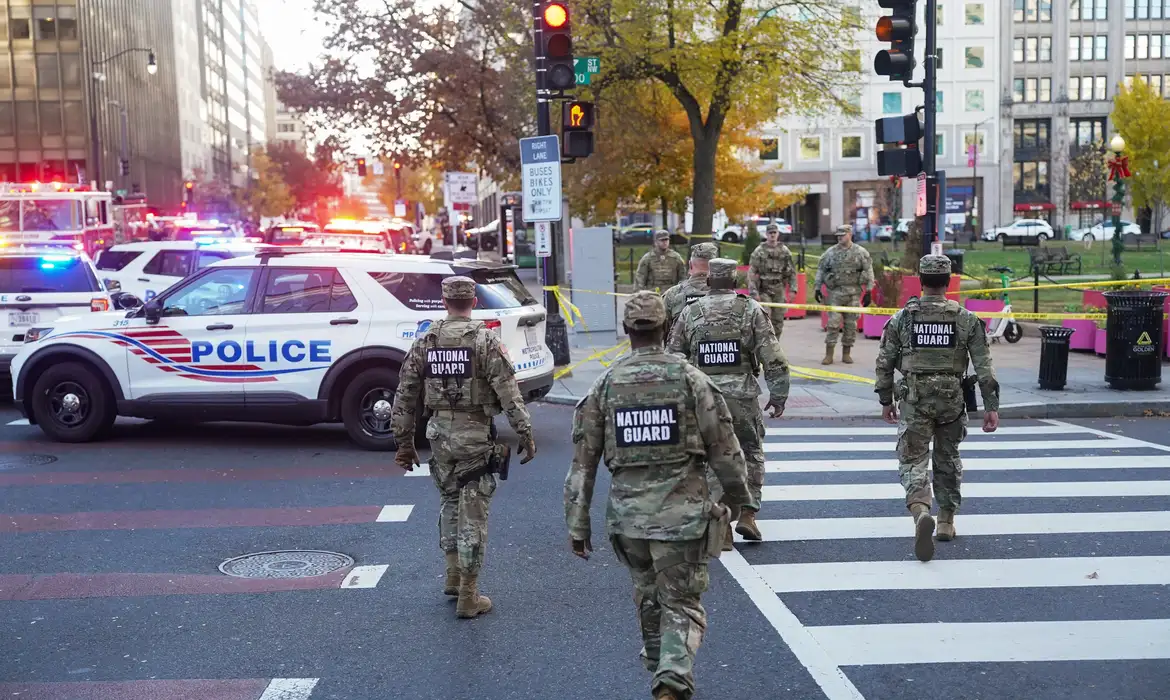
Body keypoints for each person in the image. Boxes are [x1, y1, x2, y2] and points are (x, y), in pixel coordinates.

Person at [565, 291, 751, 700]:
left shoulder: (606, 385)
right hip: (682, 519)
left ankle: (660, 673)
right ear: (666, 329)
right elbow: (725, 449)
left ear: (626, 331)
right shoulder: (691, 381)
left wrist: (578, 524)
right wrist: (740, 499)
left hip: (628, 522)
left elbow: (583, 463)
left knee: (649, 601)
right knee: (682, 605)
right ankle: (672, 679)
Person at [391, 276, 538, 618]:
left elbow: (405, 394)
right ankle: (468, 596)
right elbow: (508, 392)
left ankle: (453, 575)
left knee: (450, 500)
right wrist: (525, 433)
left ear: (444, 300)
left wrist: (403, 442)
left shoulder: (426, 339)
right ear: (473, 301)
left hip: (439, 434)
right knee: (474, 510)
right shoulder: (485, 340)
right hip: (474, 433)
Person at [874, 254, 1000, 563]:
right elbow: (984, 366)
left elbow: (885, 362)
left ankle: (920, 510)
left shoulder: (903, 318)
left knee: (913, 459)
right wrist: (990, 407)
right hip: (952, 400)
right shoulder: (966, 319)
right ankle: (945, 521)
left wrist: (885, 399)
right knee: (948, 457)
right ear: (949, 281)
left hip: (915, 399)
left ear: (920, 280)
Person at [667, 258, 789, 546]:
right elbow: (773, 356)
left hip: (704, 397)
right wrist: (779, 393)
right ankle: (748, 513)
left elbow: (673, 356)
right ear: (735, 282)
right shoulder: (750, 310)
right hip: (742, 398)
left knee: (709, 456)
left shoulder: (690, 312)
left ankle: (719, 514)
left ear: (709, 282)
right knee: (751, 452)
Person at [814, 224, 875, 365]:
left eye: (842, 234)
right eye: (838, 235)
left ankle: (846, 353)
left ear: (850, 235)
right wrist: (817, 288)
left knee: (850, 325)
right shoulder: (830, 252)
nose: (840, 237)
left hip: (853, 294)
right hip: (835, 293)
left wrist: (869, 291)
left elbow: (869, 271)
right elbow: (821, 270)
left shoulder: (860, 252)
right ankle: (829, 354)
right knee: (833, 324)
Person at [661, 241, 719, 338]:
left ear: (690, 265)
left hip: (680, 352)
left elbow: (661, 331)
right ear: (716, 267)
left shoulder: (672, 295)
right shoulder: (728, 294)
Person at [748, 223, 796, 338]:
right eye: (770, 233)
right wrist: (754, 292)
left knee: (778, 321)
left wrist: (793, 289)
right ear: (766, 234)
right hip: (764, 290)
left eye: (774, 233)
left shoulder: (784, 251)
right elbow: (752, 272)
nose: (772, 235)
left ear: (778, 234)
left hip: (779, 289)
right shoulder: (759, 251)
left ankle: (775, 347)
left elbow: (791, 272)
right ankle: (765, 347)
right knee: (765, 319)